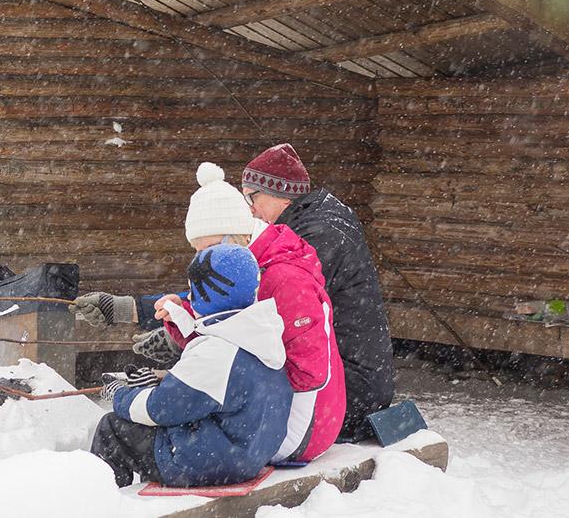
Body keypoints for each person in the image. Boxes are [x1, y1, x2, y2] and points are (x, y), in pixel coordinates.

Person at [77, 162, 346, 463]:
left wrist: (216, 388)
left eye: (208, 249)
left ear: (235, 237)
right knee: (175, 411)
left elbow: (308, 373)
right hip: (266, 415)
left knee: (155, 430)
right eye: (198, 251)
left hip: (301, 426)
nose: (203, 259)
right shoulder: (242, 266)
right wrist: (181, 321)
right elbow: (232, 334)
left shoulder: (285, 280)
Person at [89, 244, 292, 488]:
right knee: (159, 431)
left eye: (192, 289)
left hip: (211, 462)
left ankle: (103, 501)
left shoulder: (218, 352)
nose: (190, 296)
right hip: (249, 452)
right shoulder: (257, 332)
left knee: (113, 428)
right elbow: (205, 395)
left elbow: (158, 410)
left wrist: (120, 394)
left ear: (207, 292)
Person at [240, 143, 394, 440]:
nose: (251, 209)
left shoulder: (316, 236)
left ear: (279, 194)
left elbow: (262, 303)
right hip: (356, 383)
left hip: (350, 391)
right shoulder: (318, 221)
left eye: (252, 196)